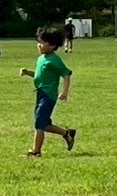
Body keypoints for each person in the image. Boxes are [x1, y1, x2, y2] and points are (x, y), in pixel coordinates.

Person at [19, 27, 76, 157]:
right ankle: (67, 133)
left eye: (43, 42)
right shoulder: (41, 58)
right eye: (38, 41)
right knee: (44, 124)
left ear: (53, 45)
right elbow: (41, 76)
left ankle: (36, 152)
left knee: (39, 122)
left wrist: (65, 92)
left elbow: (66, 74)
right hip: (40, 94)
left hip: (48, 95)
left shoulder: (54, 60)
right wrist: (28, 73)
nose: (39, 45)